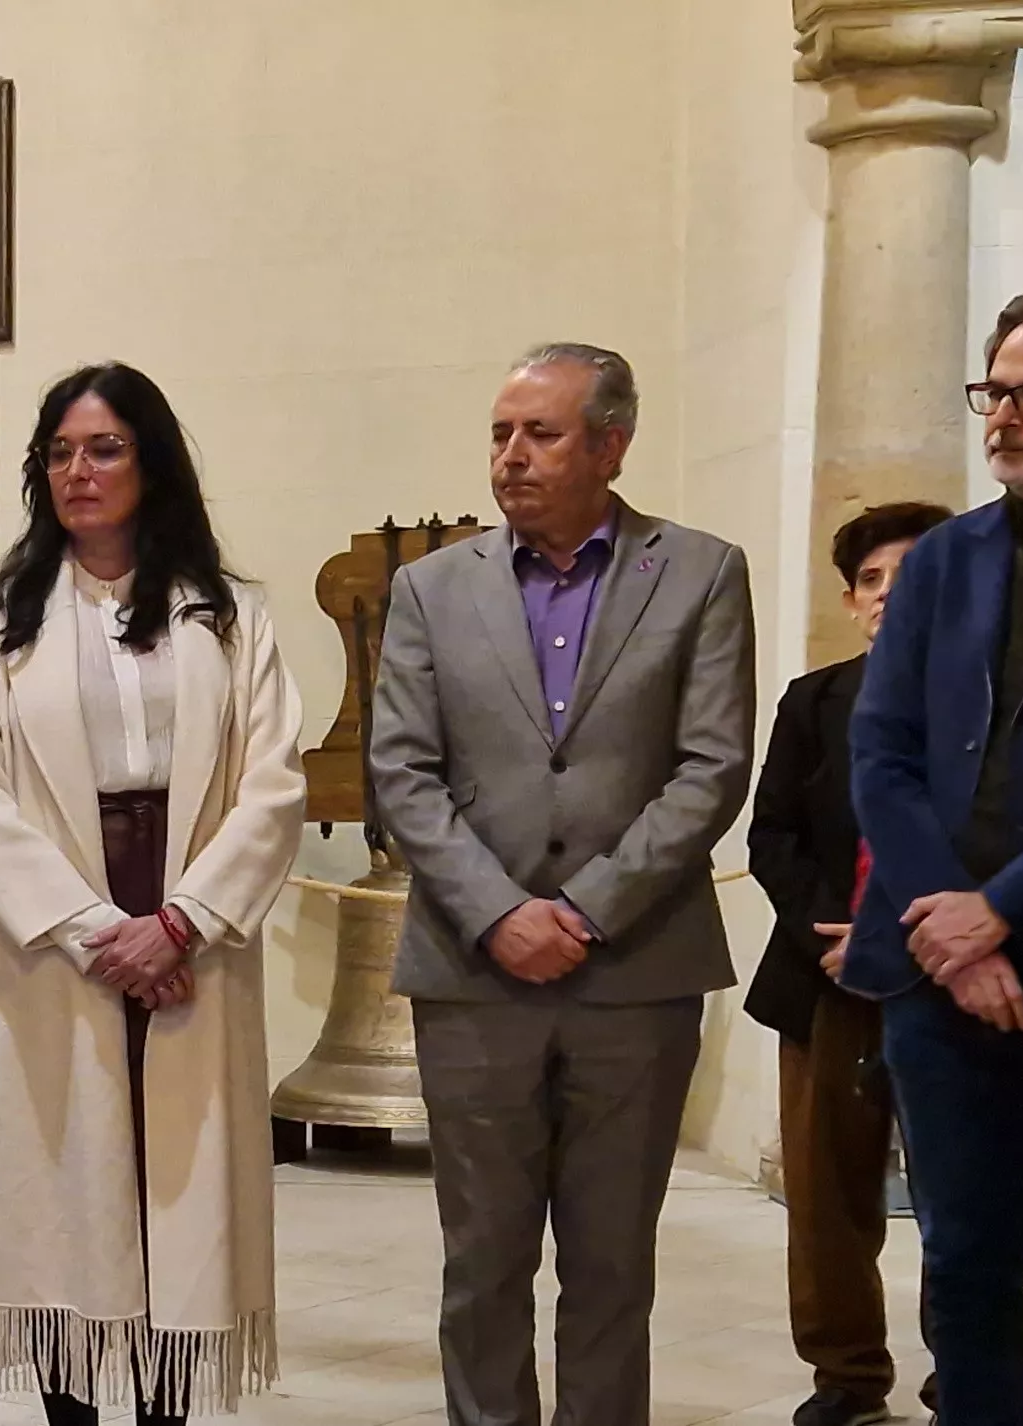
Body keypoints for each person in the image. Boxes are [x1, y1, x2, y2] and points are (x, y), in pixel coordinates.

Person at [367, 344, 756, 1426]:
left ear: (609, 444)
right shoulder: (429, 588)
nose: (509, 456)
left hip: (631, 975)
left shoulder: (697, 571)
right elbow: (398, 770)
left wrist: (584, 910)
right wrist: (498, 912)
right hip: (470, 970)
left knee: (608, 1271)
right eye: (499, 433)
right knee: (480, 1266)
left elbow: (710, 766)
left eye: (537, 433)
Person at [0, 363, 304, 1424]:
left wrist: (179, 919)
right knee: (64, 1191)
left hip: (188, 915)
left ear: (151, 463)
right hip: (51, 934)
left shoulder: (231, 615)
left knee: (176, 1200)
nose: (78, 471)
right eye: (58, 452)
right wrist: (100, 930)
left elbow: (270, 781)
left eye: (103, 449)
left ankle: (164, 1413)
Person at [846, 293, 1023, 1422]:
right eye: (992, 390)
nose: (1004, 416)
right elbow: (880, 751)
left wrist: (997, 907)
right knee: (960, 1266)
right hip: (940, 981)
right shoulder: (944, 560)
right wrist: (950, 924)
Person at [742, 500, 952, 1426]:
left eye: (910, 574)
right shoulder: (814, 700)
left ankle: (966, 1370)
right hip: (825, 976)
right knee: (827, 1193)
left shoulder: (991, 704)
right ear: (850, 599)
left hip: (951, 975)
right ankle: (845, 1376)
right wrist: (834, 929)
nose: (888, 593)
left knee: (959, 1191)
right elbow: (773, 832)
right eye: (872, 579)